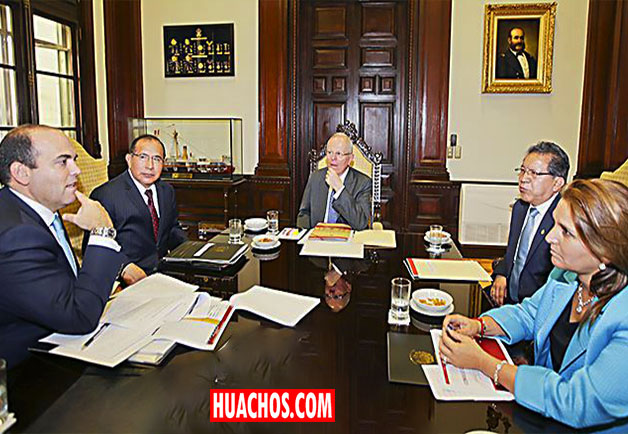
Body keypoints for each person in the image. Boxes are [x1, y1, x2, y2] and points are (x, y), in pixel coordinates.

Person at [439, 179, 628, 429]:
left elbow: (577, 402)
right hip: (540, 414)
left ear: (605, 250)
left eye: (565, 232)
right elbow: (529, 314)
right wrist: (479, 326)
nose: (550, 237)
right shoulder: (564, 276)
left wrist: (485, 363)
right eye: (554, 224)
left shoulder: (623, 318)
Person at [0, 125, 127, 368]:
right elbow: (79, 317)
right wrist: (102, 232)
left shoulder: (38, 210)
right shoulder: (16, 234)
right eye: (62, 162)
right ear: (21, 172)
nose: (77, 170)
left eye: (74, 160)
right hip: (30, 370)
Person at [85, 134, 187, 281]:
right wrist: (124, 268)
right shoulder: (105, 195)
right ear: (129, 159)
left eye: (157, 159)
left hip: (164, 275)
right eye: (143, 157)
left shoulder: (166, 191)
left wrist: (192, 251)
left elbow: (172, 229)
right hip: (126, 280)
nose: (150, 166)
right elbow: (95, 247)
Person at [491, 142, 569, 306]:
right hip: (508, 300)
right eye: (523, 170)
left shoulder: (564, 219)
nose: (523, 179)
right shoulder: (520, 208)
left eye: (534, 173)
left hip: (538, 307)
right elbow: (513, 253)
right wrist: (502, 273)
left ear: (557, 183)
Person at [297, 133, 372, 230]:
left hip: (347, 238)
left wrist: (340, 189)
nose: (333, 158)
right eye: (330, 152)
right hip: (317, 236)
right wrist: (306, 233)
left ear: (350, 159)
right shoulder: (315, 177)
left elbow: (361, 223)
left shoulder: (363, 183)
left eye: (339, 154)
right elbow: (304, 213)